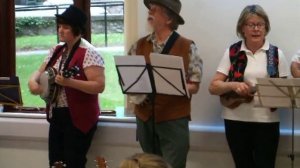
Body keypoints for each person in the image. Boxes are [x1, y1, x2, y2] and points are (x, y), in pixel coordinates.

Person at [209, 4, 289, 168]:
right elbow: (214, 87)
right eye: (251, 24)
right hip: (235, 120)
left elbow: (286, 92)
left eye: (260, 24)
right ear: (242, 28)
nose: (256, 29)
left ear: (266, 27)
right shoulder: (232, 51)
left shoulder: (276, 54)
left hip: (267, 122)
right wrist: (233, 85)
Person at [127, 0, 203, 168]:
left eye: (154, 9)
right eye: (149, 9)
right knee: (147, 165)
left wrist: (175, 86)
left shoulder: (187, 46)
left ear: (169, 18)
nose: (149, 12)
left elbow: (195, 86)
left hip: (173, 120)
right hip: (144, 118)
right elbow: (128, 78)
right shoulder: (138, 45)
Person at [28, 5, 105, 168]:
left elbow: (99, 86)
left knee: (73, 163)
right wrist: (32, 81)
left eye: (66, 27)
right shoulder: (57, 49)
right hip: (57, 114)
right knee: (55, 163)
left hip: (78, 117)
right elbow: (39, 70)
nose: (60, 30)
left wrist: (70, 83)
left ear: (76, 30)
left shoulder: (89, 52)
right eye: (59, 26)